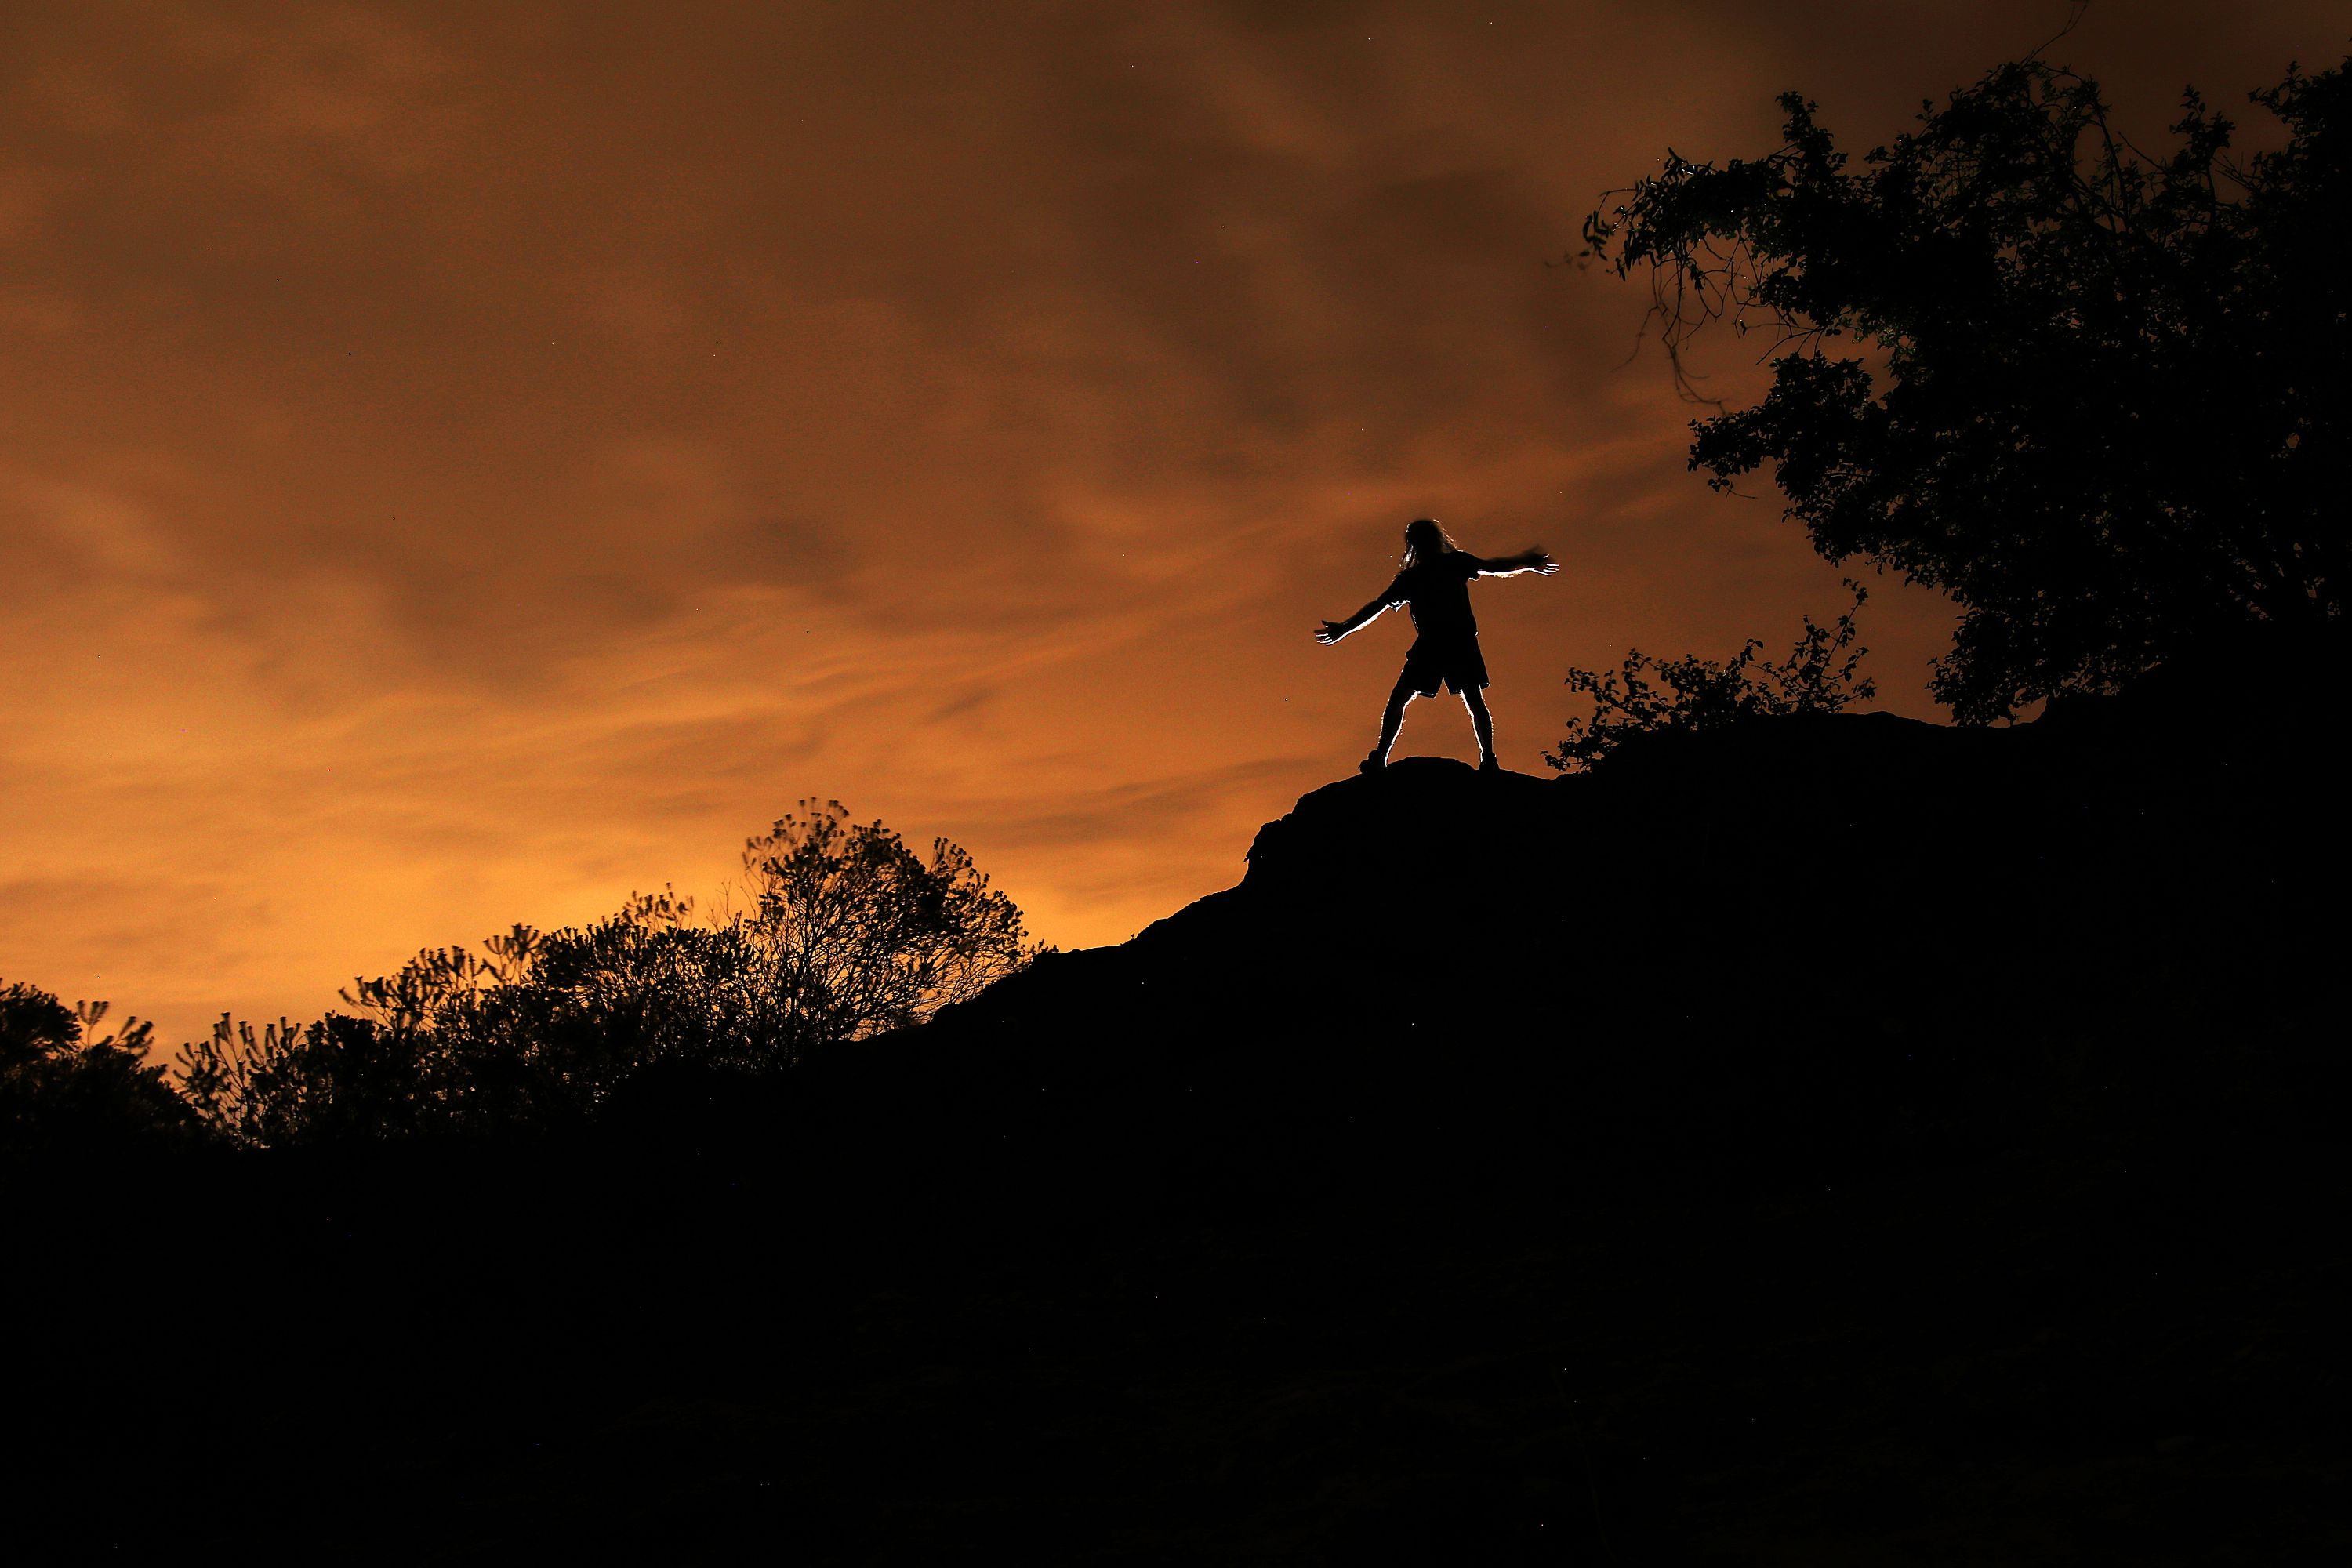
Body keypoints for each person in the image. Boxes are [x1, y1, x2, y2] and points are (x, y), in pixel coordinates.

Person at [1315, 517, 1556, 774]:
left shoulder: (1439, 568)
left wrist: (1344, 628)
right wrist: (1344, 628)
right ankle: (1482, 759)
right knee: (1436, 699)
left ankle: (1483, 759)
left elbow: (1492, 566)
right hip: (1442, 643)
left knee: (1428, 699)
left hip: (1449, 642)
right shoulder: (1429, 572)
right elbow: (1492, 567)